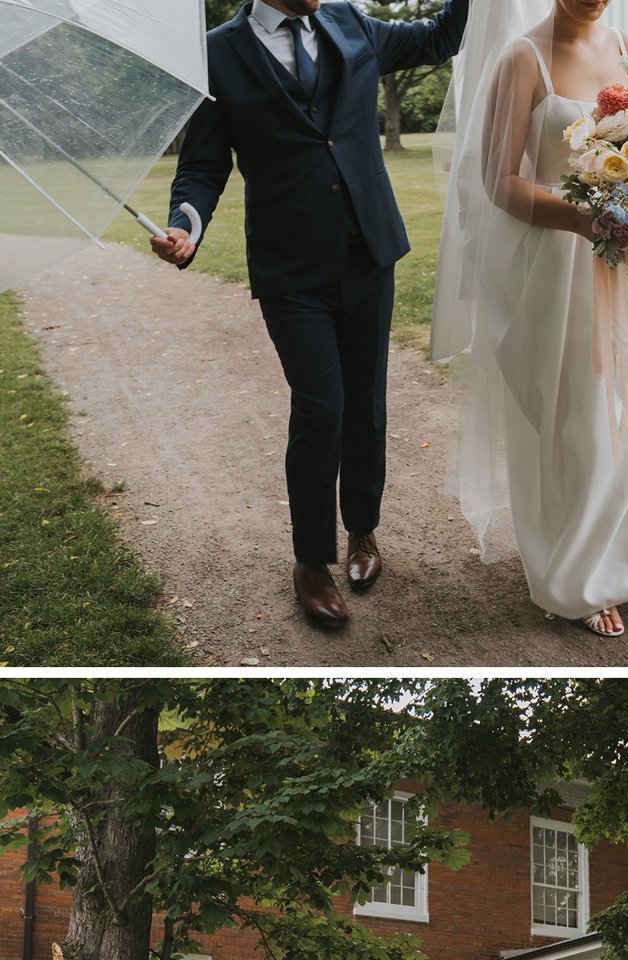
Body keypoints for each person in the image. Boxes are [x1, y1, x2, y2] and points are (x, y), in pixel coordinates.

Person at [152, 0, 470, 629]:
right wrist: (184, 226)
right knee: (321, 407)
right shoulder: (217, 54)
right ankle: (309, 561)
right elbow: (203, 165)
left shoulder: (352, 22)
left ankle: (363, 532)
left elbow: (440, 39)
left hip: (369, 252)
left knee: (365, 405)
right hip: (291, 270)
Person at [430, 0, 628, 639]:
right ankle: (584, 575)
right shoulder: (521, 57)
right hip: (564, 265)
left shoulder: (625, 43)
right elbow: (499, 181)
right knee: (584, 417)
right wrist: (583, 220)